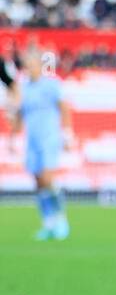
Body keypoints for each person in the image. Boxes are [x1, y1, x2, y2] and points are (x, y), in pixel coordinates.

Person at [12, 45, 72, 241]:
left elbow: (64, 108)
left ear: (40, 64)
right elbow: (20, 113)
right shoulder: (24, 87)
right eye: (27, 64)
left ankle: (61, 219)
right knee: (38, 183)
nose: (29, 67)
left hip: (49, 137)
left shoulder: (51, 85)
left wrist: (67, 133)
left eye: (32, 63)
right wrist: (13, 136)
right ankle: (48, 223)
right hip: (33, 139)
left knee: (47, 178)